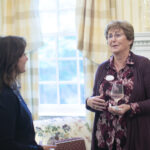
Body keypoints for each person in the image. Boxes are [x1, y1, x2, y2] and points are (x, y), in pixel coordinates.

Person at [86, 20, 150, 150]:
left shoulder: (143, 65)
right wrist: (88, 102)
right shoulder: (102, 68)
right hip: (104, 138)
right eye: (110, 36)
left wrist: (130, 107)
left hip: (133, 137)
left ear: (130, 39)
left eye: (118, 35)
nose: (113, 40)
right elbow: (95, 98)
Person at [0, 36, 56, 150]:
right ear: (12, 58)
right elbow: (5, 145)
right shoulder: (5, 96)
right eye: (23, 54)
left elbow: (21, 138)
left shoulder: (12, 90)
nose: (26, 58)